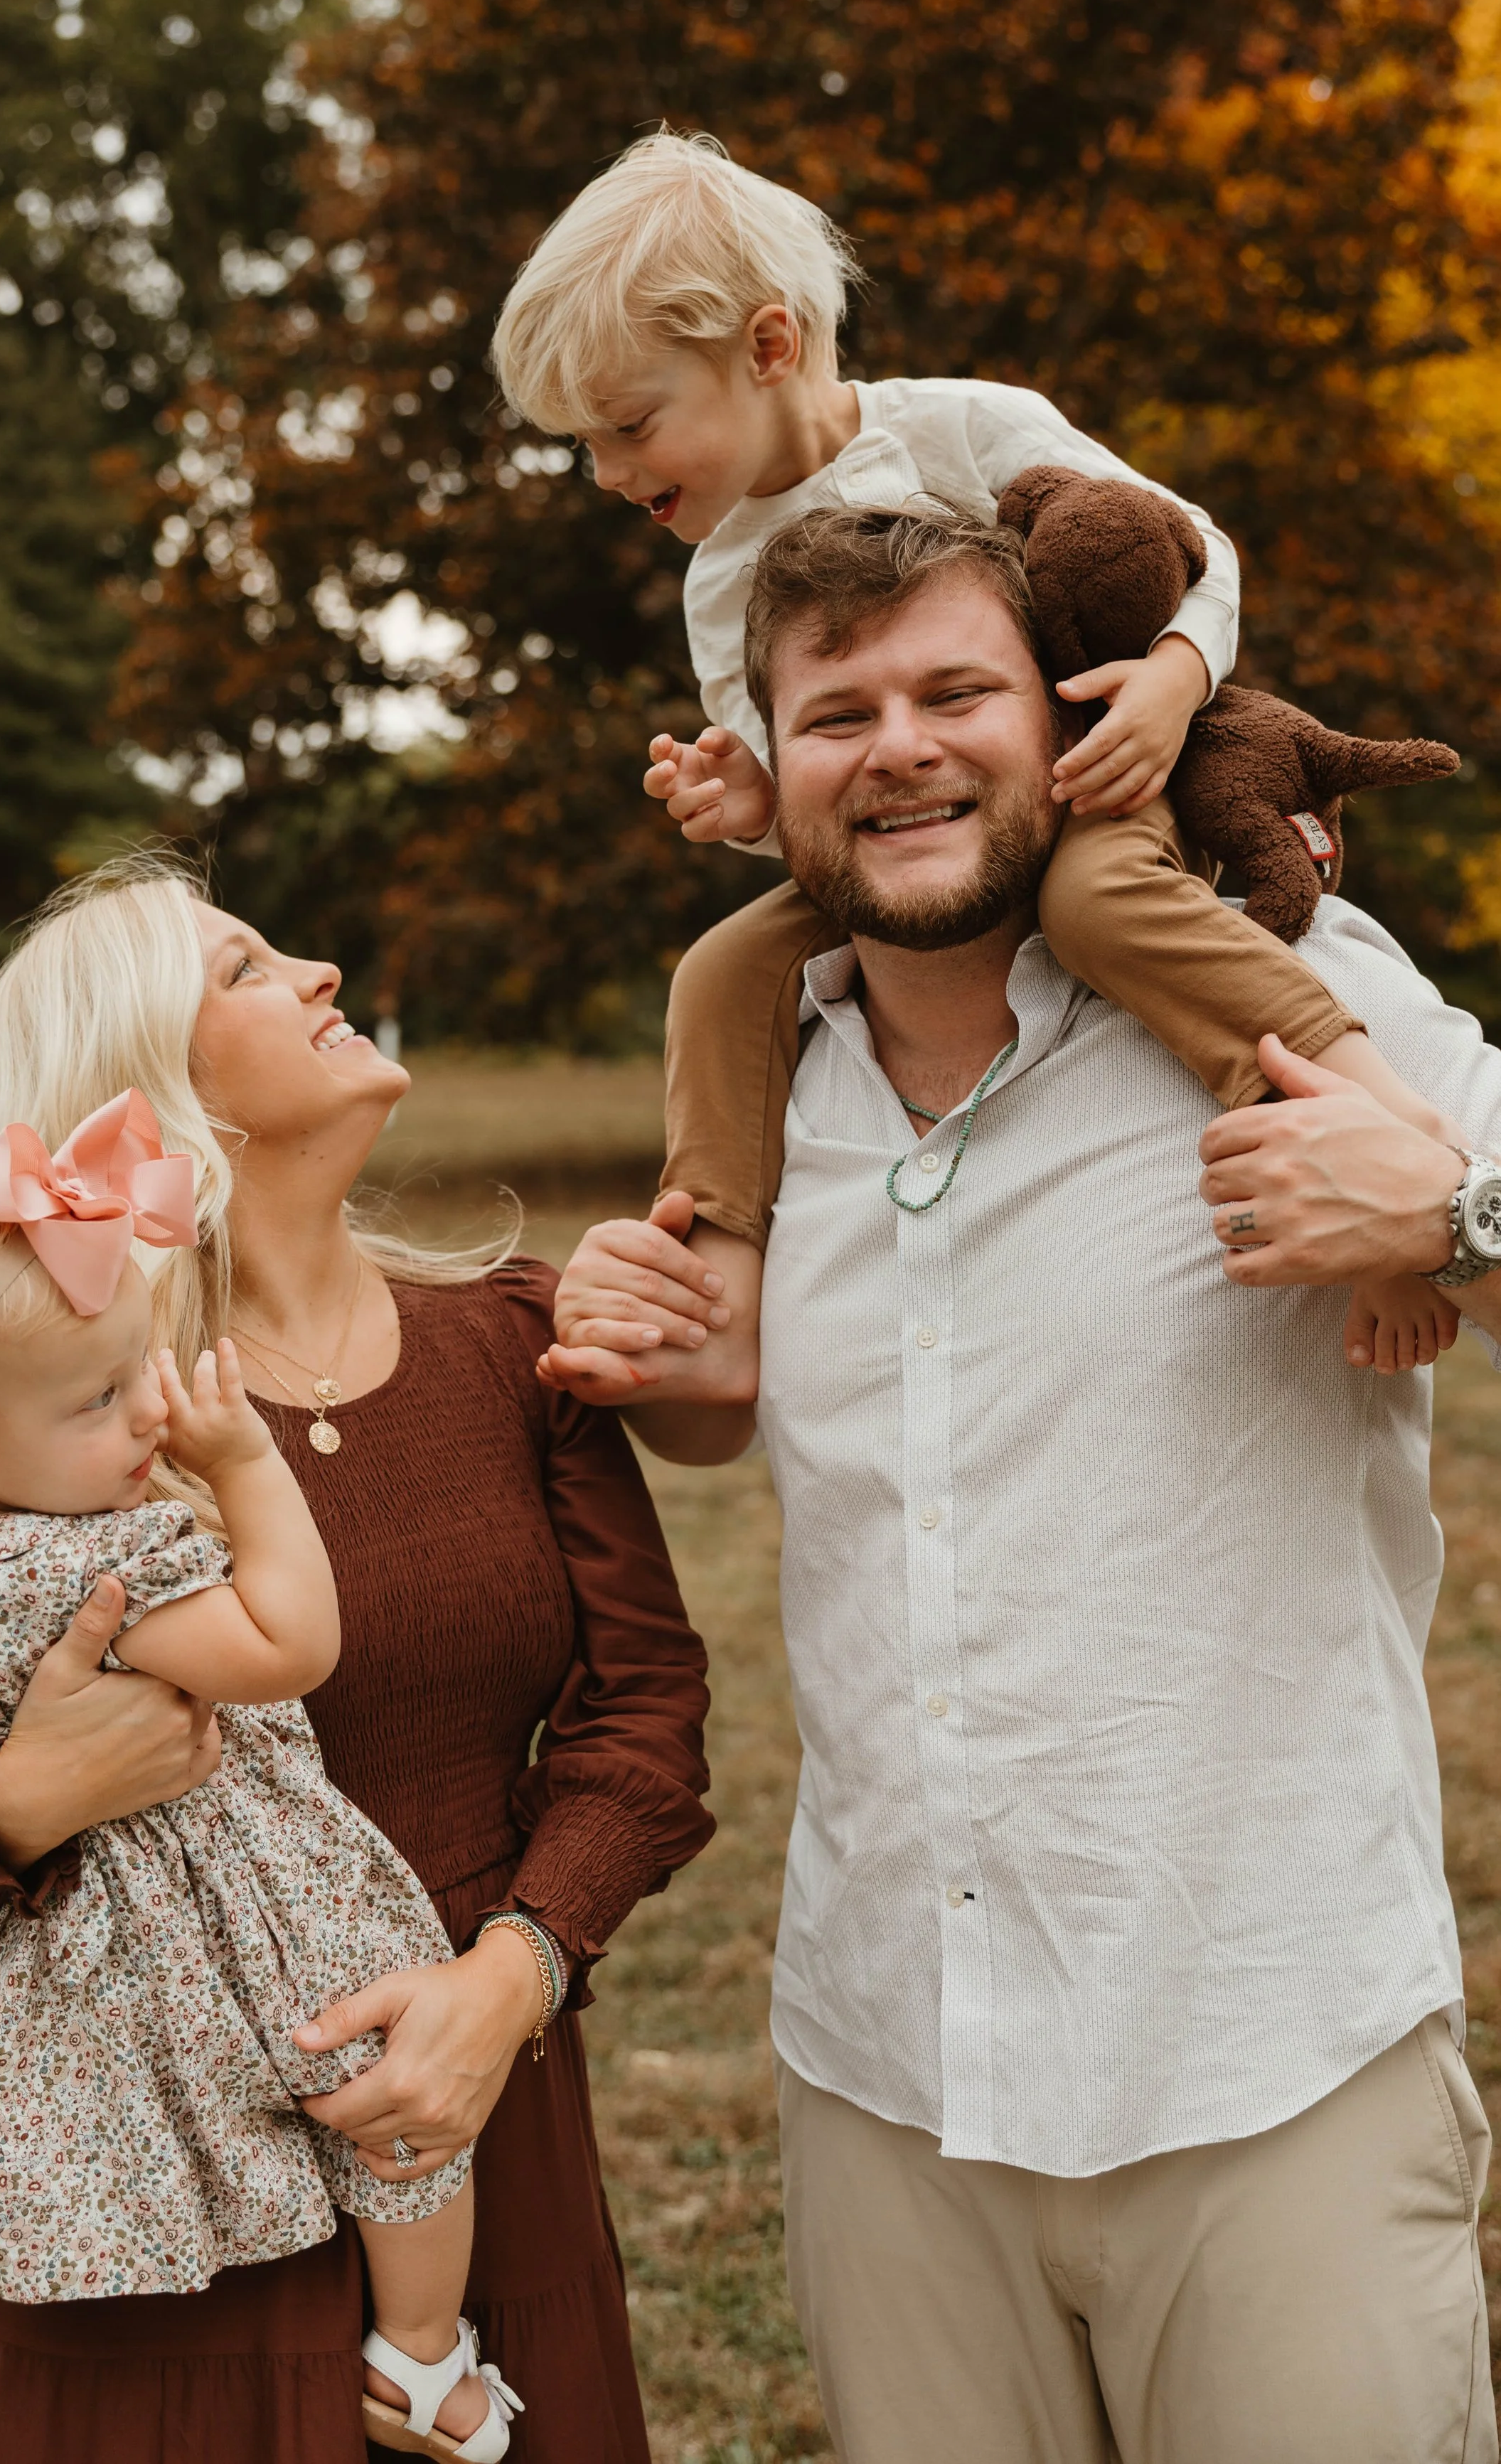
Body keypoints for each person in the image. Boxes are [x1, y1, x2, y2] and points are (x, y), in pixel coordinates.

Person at [541, 505, 1501, 2463]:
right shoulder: (762, 1087)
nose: (895, 744)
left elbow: (1460, 1175)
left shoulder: (1272, 983)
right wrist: (645, 1346)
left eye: (952, 691)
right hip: (891, 2073)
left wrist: (1456, 1201)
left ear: (1059, 723)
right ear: (770, 763)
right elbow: (725, 1400)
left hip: (1263, 2059)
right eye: (836, 711)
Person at [0, 855, 715, 2464]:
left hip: (470, 2129)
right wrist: (20, 1798)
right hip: (126, 2205)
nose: (323, 971)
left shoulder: (511, 1339)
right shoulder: (63, 1442)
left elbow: (646, 1720)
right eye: (246, 970)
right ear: (135, 1096)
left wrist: (516, 1974)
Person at [491, 127, 1453, 1371]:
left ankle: (1371, 1118)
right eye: (585, 446)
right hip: (927, 861)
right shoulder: (722, 577)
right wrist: (750, 798)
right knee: (723, 971)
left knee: (1100, 899)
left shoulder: (962, 427)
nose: (609, 473)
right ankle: (721, 1267)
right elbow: (814, 801)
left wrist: (1173, 679)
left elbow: (1189, 543)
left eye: (627, 425)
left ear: (769, 348)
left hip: (1099, 772)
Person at [0, 1108, 520, 2456]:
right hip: (213, 1874)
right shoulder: (98, 1565)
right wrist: (242, 1461)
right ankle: (418, 2353)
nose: (148, 1412)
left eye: (142, 1372)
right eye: (102, 1398)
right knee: (384, 2080)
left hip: (21, 1940)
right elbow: (289, 1647)